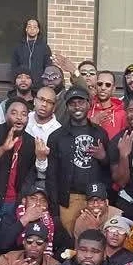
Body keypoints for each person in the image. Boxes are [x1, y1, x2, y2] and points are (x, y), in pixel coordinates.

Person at [45, 85, 111, 234]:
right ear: (67, 107)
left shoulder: (100, 133)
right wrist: (54, 205)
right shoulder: (56, 136)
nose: (77, 107)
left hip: (95, 199)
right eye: (72, 103)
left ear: (89, 104)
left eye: (81, 102)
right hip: (69, 199)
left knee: (95, 239)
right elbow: (52, 175)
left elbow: (110, 169)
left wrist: (103, 157)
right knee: (70, 240)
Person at [0, 99, 45, 222]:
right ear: (5, 115)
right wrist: (3, 149)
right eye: (14, 113)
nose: (19, 117)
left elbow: (32, 175)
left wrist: (41, 158)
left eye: (24, 114)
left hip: (14, 204)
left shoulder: (30, 142)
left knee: (10, 234)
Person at [10, 18, 52, 87]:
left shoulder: (45, 47)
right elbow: (14, 67)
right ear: (26, 29)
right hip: (22, 85)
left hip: (39, 85)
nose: (32, 29)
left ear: (38, 30)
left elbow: (48, 67)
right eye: (29, 26)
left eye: (35, 27)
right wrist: (15, 82)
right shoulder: (18, 47)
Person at [88, 70, 128, 137]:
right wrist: (91, 124)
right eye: (100, 84)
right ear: (95, 86)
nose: (103, 88)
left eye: (108, 85)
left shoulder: (122, 114)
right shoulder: (87, 110)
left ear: (113, 89)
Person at [26, 86, 61, 157]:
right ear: (34, 101)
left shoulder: (58, 131)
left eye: (49, 102)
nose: (44, 104)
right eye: (41, 99)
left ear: (54, 108)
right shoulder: (24, 119)